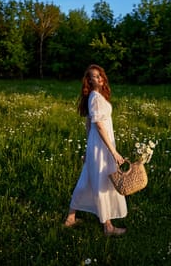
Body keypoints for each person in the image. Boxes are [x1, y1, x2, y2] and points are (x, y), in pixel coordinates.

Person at [64, 64, 127, 236]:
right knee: (102, 181)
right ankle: (108, 227)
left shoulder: (97, 96)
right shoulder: (95, 97)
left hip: (98, 144)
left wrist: (87, 148)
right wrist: (113, 151)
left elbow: (88, 124)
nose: (98, 78)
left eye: (100, 75)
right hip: (102, 145)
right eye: (94, 76)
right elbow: (98, 125)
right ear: (89, 80)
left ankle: (71, 217)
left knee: (89, 180)